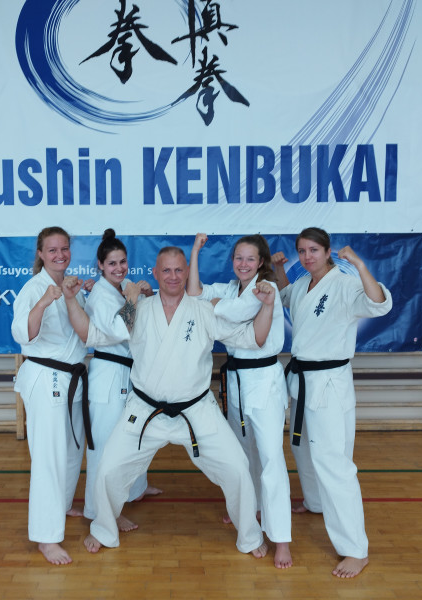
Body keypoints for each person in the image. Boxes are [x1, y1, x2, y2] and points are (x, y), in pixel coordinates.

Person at [62, 246, 277, 558]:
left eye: (179, 270)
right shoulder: (137, 309)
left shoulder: (204, 311)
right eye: (166, 270)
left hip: (196, 410)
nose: (173, 276)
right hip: (145, 409)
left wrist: (267, 306)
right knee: (108, 469)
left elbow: (253, 338)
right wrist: (71, 300)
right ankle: (104, 529)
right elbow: (91, 335)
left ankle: (250, 536)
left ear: (187, 272)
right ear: (155, 273)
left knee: (237, 468)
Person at [272, 227, 392, 579]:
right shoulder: (302, 284)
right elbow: (285, 297)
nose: (307, 256)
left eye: (314, 250)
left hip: (328, 383)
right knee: (302, 449)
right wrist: (278, 268)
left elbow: (379, 304)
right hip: (302, 380)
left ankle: (355, 549)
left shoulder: (345, 283)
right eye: (302, 251)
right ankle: (315, 502)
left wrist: (360, 265)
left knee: (334, 464)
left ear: (328, 252)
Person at [188, 233, 292, 569]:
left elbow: (233, 313)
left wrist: (214, 307)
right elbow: (194, 293)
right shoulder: (231, 288)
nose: (243, 264)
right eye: (238, 258)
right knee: (244, 455)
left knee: (271, 459)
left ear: (261, 262)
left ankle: (281, 539)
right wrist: (195, 251)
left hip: (263, 381)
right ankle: (251, 512)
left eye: (249, 258)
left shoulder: (266, 288)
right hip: (235, 380)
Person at [10, 226, 90, 566]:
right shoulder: (33, 289)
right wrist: (44, 301)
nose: (60, 255)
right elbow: (23, 334)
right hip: (46, 379)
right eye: (52, 250)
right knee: (48, 458)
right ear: (41, 254)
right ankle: (46, 537)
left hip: (72, 377)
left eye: (64, 249)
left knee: (72, 450)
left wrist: (79, 293)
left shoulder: (70, 286)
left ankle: (63, 504)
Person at [83, 229, 162, 530]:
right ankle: (102, 512)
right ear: (101, 266)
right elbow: (121, 329)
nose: (119, 268)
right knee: (105, 446)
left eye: (123, 262)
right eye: (112, 263)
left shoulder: (121, 288)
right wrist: (132, 297)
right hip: (108, 373)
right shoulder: (101, 294)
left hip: (130, 373)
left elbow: (148, 321)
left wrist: (146, 295)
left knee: (133, 436)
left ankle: (136, 488)